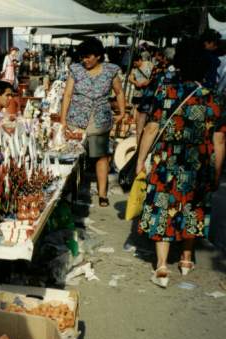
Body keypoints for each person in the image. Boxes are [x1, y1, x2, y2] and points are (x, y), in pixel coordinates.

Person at [136, 38, 226, 288]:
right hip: (199, 162)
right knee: (193, 207)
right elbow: (219, 139)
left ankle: (162, 264)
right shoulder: (215, 99)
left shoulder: (166, 92)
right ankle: (186, 258)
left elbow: (152, 127)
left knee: (161, 207)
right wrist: (216, 172)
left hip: (167, 160)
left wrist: (140, 159)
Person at [60, 38, 126, 207]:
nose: (85, 60)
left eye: (88, 56)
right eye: (82, 57)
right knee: (72, 156)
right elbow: (67, 95)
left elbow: (119, 92)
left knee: (101, 157)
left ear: (98, 56)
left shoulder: (111, 71)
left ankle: (102, 194)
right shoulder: (75, 70)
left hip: (99, 119)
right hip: (77, 118)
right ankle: (67, 193)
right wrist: (63, 120)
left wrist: (122, 112)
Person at [129, 53, 154, 142]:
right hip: (138, 94)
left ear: (139, 60)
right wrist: (135, 82)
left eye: (135, 63)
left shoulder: (149, 64)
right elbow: (130, 77)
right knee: (137, 115)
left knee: (146, 115)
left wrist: (147, 82)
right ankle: (138, 134)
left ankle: (143, 134)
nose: (133, 65)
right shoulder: (134, 69)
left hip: (148, 94)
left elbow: (154, 75)